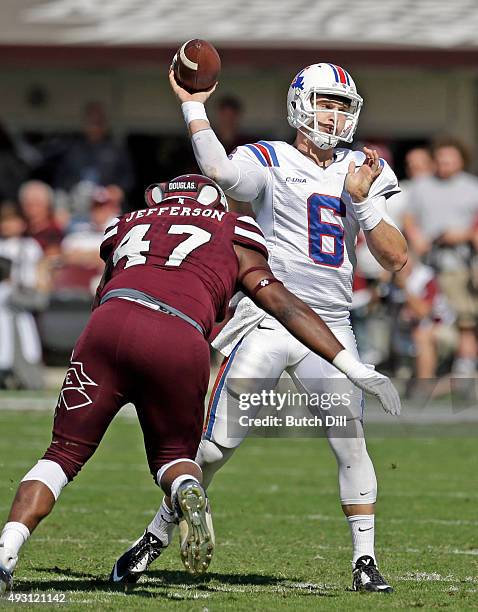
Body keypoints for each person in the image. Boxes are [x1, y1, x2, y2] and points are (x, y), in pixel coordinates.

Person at [0, 174, 400, 593]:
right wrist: (350, 364)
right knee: (176, 457)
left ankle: (7, 552)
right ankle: (187, 489)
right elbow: (282, 303)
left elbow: (104, 292)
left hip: (109, 324)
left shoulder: (130, 222)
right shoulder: (232, 228)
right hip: (179, 335)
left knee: (62, 454)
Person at [115, 64, 408, 593]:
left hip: (332, 323)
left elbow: (395, 258)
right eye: (326, 102)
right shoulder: (269, 157)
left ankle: (365, 561)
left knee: (352, 443)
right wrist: (193, 106)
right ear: (299, 104)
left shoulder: (365, 168)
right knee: (212, 450)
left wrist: (362, 202)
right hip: (269, 318)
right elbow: (222, 174)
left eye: (344, 105)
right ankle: (154, 538)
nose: (335, 114)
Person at [403, 137, 478, 377]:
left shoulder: (472, 187)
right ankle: (424, 379)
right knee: (423, 321)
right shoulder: (421, 186)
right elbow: (409, 219)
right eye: (441, 157)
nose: (445, 162)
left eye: (450, 158)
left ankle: (464, 374)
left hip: (461, 266)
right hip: (426, 268)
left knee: (465, 321)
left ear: (460, 160)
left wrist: (463, 235)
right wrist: (416, 238)